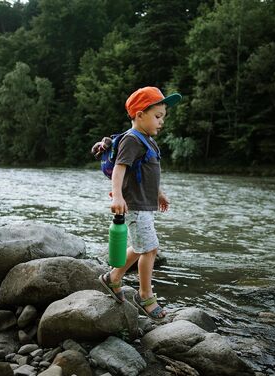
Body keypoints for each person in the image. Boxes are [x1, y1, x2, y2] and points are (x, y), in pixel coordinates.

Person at [94, 86, 181, 320]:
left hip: (146, 204)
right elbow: (120, 170)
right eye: (157, 116)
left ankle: (112, 278)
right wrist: (117, 196)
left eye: (163, 117)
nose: (161, 122)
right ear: (139, 114)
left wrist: (159, 193)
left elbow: (152, 173)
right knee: (150, 249)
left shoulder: (149, 142)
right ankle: (145, 296)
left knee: (143, 246)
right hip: (134, 204)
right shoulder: (132, 140)